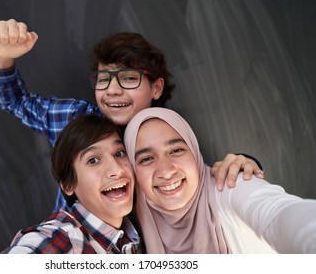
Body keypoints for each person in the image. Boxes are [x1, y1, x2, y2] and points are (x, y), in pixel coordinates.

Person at [0, 19, 264, 210]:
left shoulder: (170, 136)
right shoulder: (73, 119)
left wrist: (244, 163)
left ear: (156, 87)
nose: (112, 90)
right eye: (104, 79)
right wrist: (0, 57)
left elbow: (200, 184)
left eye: (128, 78)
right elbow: (17, 102)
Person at [124, 107, 316, 254]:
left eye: (176, 150)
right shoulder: (131, 228)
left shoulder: (231, 188)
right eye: (146, 159)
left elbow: (277, 214)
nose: (166, 172)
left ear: (194, 152)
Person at [2, 114, 141, 254]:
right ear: (68, 185)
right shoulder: (62, 239)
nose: (117, 170)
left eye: (119, 153)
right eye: (93, 160)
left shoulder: (135, 234)